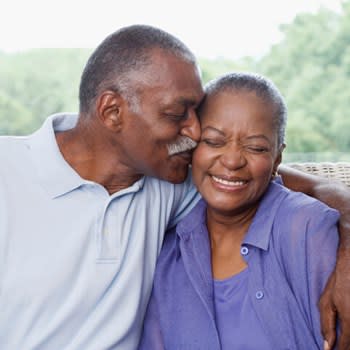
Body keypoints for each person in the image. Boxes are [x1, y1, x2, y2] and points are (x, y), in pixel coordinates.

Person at [0, 24, 348, 349]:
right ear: (113, 112)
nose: (195, 133)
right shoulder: (9, 174)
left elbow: (294, 183)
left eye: (196, 113)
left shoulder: (172, 179)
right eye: (176, 113)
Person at [138, 72, 339, 350]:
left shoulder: (308, 231)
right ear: (191, 148)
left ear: (277, 159)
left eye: (255, 147)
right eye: (213, 141)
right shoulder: (167, 252)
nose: (232, 160)